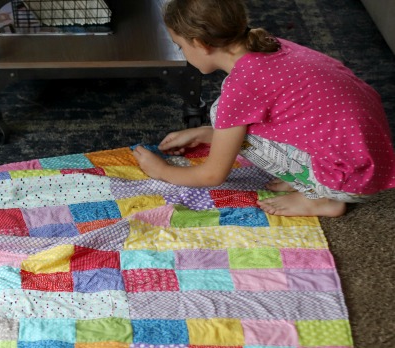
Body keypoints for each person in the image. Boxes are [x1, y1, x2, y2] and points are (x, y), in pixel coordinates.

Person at [133, 0, 395, 217]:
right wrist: (207, 134)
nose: (181, 52)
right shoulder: (268, 43)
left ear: (201, 44)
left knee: (223, 113)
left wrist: (162, 171)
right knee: (233, 117)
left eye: (181, 46)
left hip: (352, 178)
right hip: (372, 156)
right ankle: (310, 177)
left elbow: (212, 175)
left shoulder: (241, 88)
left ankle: (322, 198)